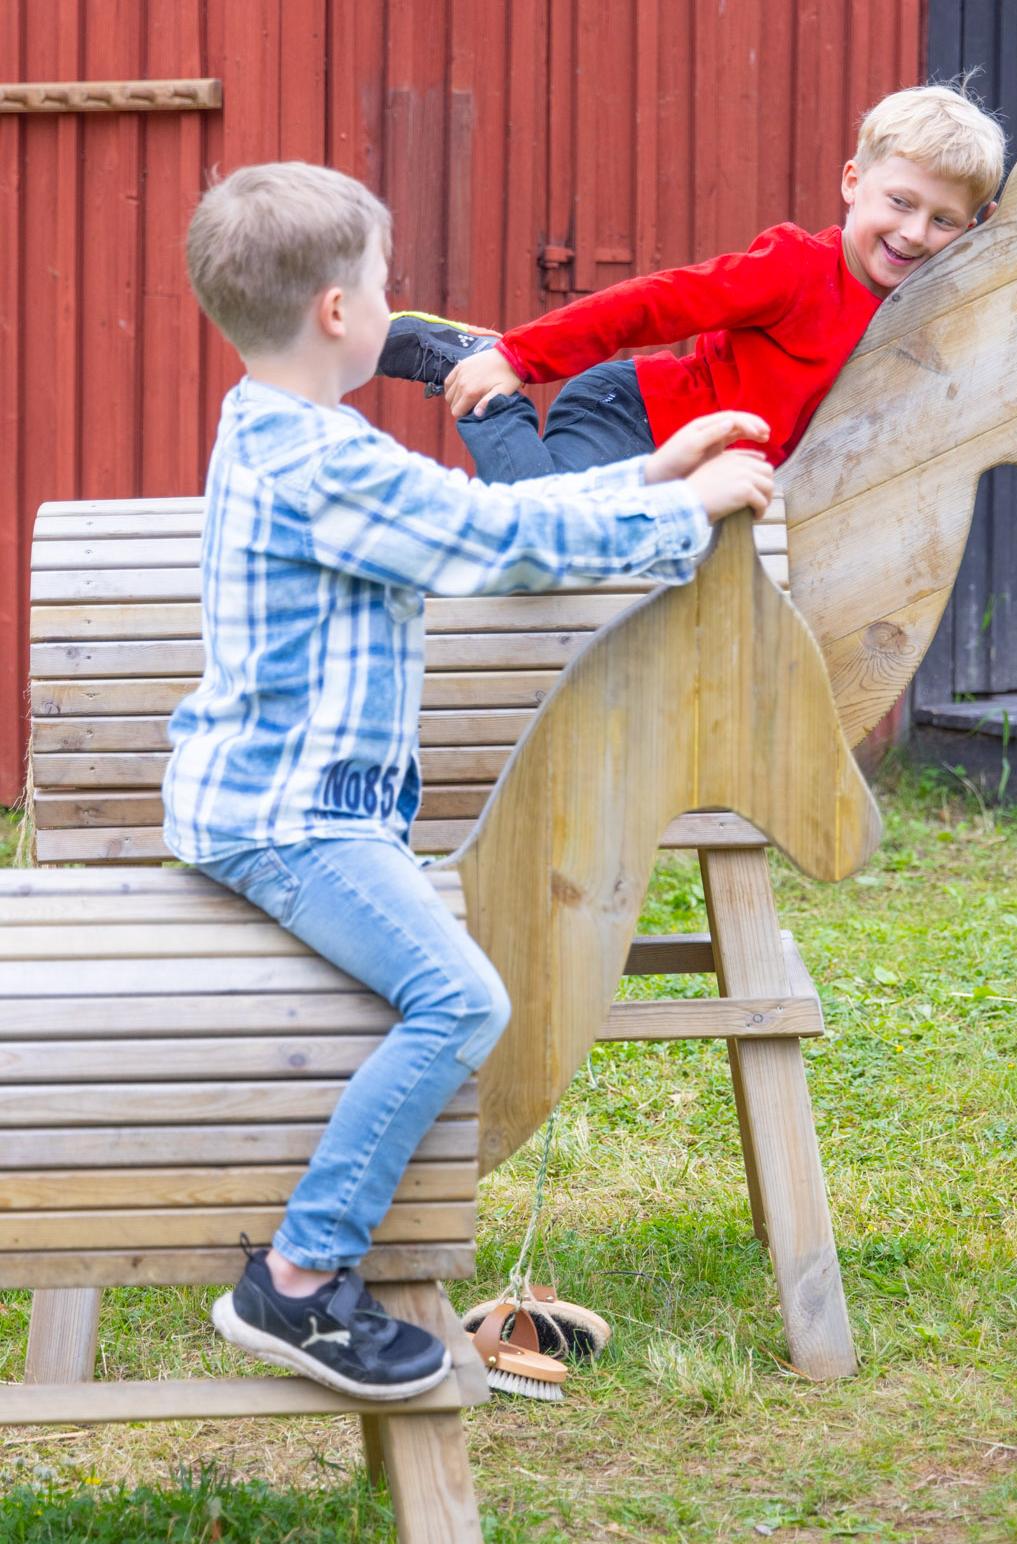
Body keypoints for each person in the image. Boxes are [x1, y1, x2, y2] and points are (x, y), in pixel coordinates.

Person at [162, 160, 774, 1400]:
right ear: (339, 311)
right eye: (385, 285)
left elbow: (465, 509)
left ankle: (317, 1275)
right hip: (291, 822)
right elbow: (493, 541)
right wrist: (686, 512)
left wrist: (646, 471)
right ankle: (295, 1283)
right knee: (461, 1001)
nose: (398, 307)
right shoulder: (322, 460)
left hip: (275, 800)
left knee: (453, 988)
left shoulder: (280, 428)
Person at [378, 80, 1017, 482]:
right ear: (853, 184)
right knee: (542, 532)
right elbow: (651, 305)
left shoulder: (935, 305)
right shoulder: (797, 270)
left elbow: (1012, 354)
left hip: (721, 491)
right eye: (899, 203)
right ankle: (475, 370)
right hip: (635, 422)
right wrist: (518, 357)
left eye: (943, 220)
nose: (915, 233)